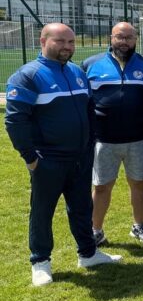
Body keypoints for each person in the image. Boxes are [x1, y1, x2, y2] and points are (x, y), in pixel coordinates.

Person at [5, 23, 121, 287]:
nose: (67, 47)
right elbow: (15, 121)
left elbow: (89, 109)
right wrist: (30, 157)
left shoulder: (77, 72)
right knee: (42, 211)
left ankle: (88, 254)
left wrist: (89, 142)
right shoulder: (28, 76)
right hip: (48, 160)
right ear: (42, 41)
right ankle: (40, 262)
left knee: (82, 207)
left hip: (81, 157)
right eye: (60, 41)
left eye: (71, 42)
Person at [82, 22, 143, 246]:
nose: (124, 42)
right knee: (101, 186)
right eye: (119, 37)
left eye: (129, 37)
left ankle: (138, 226)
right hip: (103, 139)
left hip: (139, 138)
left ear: (136, 39)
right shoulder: (91, 64)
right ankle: (95, 230)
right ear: (111, 38)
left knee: (139, 184)